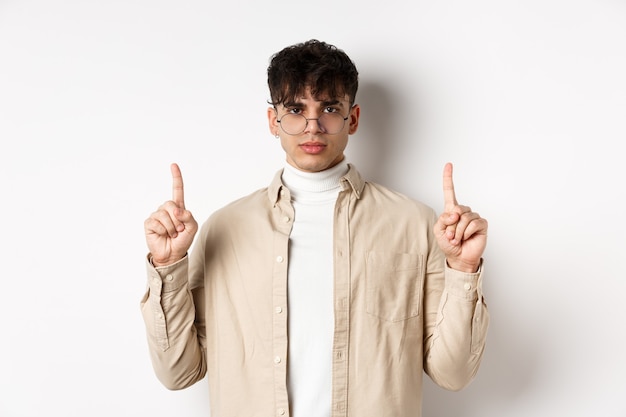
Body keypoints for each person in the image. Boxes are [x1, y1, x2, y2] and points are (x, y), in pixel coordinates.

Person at [141, 39, 489, 417]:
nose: (312, 126)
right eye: (295, 109)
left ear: (352, 119)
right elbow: (178, 372)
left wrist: (463, 270)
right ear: (273, 121)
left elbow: (453, 374)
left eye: (329, 108)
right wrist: (169, 267)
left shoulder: (414, 224)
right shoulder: (225, 228)